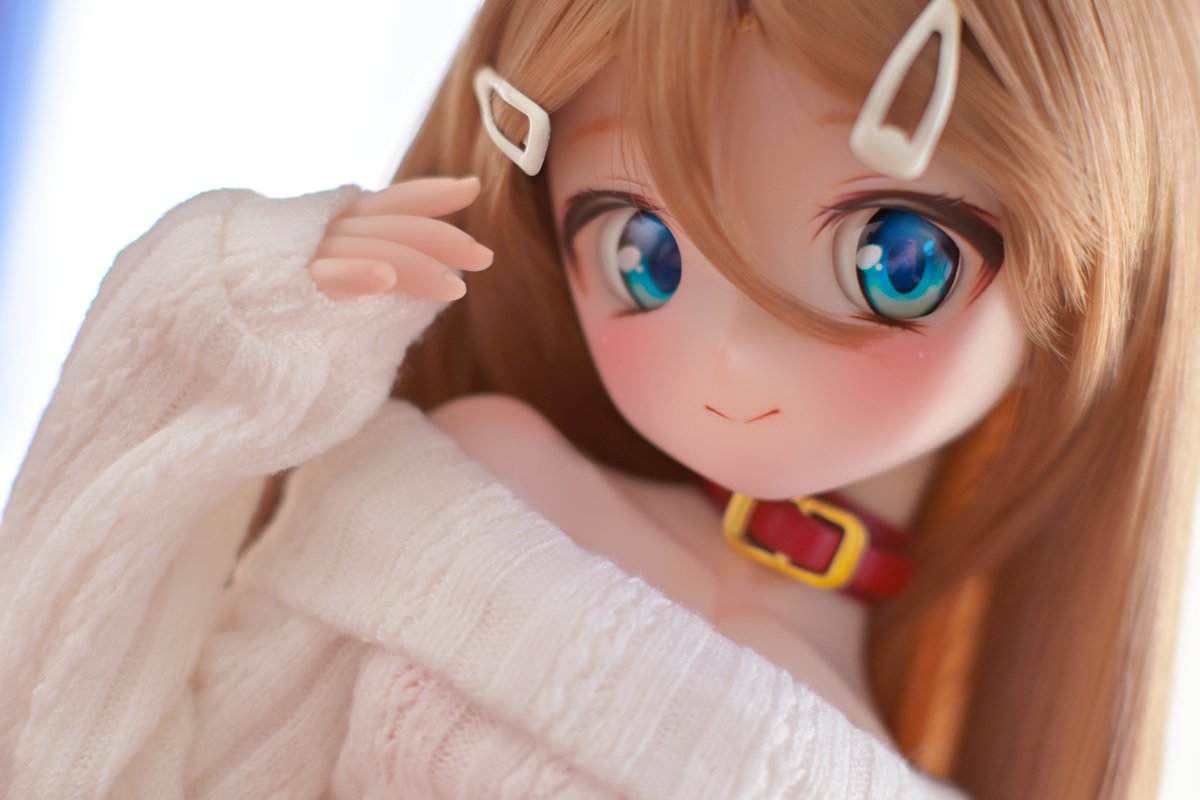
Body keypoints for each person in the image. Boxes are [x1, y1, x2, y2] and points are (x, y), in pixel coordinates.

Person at [1, 0, 1196, 798]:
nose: (734, 364)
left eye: (896, 258)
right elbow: (107, 747)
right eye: (643, 252)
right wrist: (231, 321)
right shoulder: (469, 497)